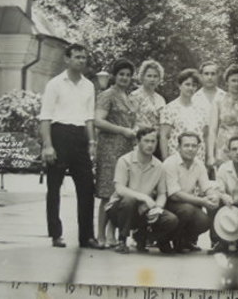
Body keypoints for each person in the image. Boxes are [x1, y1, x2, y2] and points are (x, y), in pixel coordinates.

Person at [39, 43, 99, 249]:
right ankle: (56, 234)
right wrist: (48, 146)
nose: (81, 61)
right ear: (67, 59)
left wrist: (91, 142)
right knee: (54, 188)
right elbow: (45, 118)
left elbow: (89, 118)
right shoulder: (55, 84)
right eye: (77, 57)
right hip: (59, 135)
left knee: (87, 188)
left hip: (80, 138)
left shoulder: (89, 86)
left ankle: (87, 237)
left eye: (84, 57)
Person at [105, 127, 178, 254]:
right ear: (137, 142)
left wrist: (157, 208)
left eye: (153, 141)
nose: (150, 145)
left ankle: (143, 237)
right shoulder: (125, 160)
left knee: (171, 219)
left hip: (145, 209)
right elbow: (120, 189)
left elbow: (162, 193)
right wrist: (144, 197)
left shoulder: (159, 166)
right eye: (146, 141)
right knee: (129, 200)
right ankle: (122, 240)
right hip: (120, 209)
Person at [93, 58, 138, 248]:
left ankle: (112, 232)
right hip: (110, 148)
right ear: (114, 76)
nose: (125, 78)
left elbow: (130, 121)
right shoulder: (107, 95)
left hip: (126, 149)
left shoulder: (128, 96)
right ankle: (101, 235)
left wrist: (134, 129)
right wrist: (122, 130)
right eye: (121, 74)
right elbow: (98, 121)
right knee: (107, 193)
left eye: (128, 75)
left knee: (119, 192)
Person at [163, 131, 220, 253]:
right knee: (188, 210)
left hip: (186, 203)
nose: (190, 149)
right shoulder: (170, 163)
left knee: (204, 221)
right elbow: (174, 195)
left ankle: (185, 241)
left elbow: (206, 186)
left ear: (198, 148)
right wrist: (202, 201)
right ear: (179, 147)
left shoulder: (198, 164)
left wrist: (213, 196)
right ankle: (165, 239)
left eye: (194, 146)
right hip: (167, 204)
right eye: (186, 145)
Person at [160, 69, 209, 161]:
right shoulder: (169, 108)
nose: (190, 88)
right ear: (179, 85)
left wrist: (207, 159)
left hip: (198, 159)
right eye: (187, 84)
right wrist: (165, 160)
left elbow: (205, 136)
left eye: (194, 85)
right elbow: (164, 136)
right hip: (176, 159)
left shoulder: (202, 109)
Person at [130, 59, 167, 133]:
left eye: (155, 76)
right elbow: (131, 122)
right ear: (142, 77)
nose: (152, 79)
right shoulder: (134, 96)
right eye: (149, 76)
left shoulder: (161, 99)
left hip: (157, 138)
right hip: (140, 137)